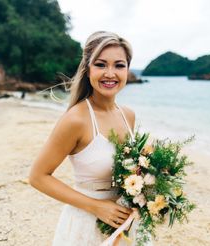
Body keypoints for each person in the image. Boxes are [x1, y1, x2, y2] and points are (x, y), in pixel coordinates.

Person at [29, 31, 150, 245]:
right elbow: (38, 177)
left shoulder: (128, 115)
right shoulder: (76, 120)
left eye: (119, 65)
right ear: (87, 69)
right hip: (86, 224)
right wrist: (96, 206)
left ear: (128, 70)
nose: (110, 73)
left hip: (126, 222)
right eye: (101, 64)